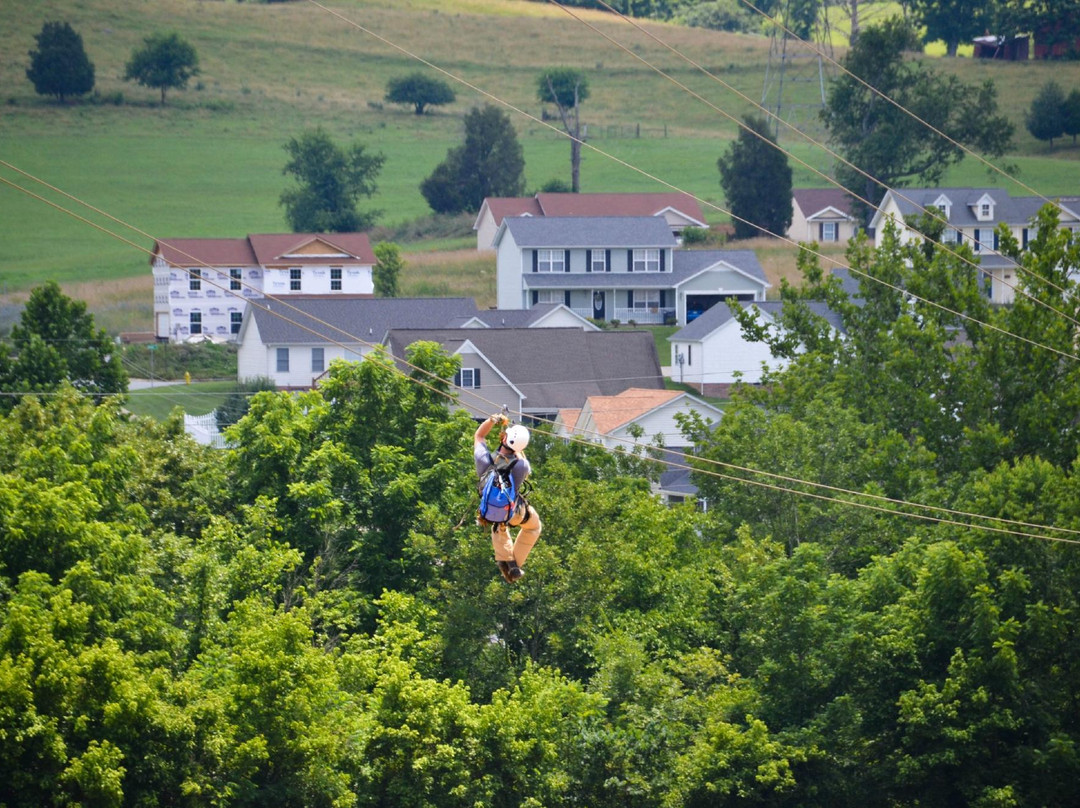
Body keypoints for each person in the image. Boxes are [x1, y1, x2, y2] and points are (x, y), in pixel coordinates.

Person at [474, 413, 542, 583]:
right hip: (515, 512)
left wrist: (492, 420)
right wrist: (517, 448)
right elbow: (522, 460)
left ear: (504, 438)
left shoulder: (483, 460)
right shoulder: (521, 466)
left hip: (489, 511)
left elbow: (479, 435)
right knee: (534, 527)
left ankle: (507, 562)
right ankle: (514, 565)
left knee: (499, 525)